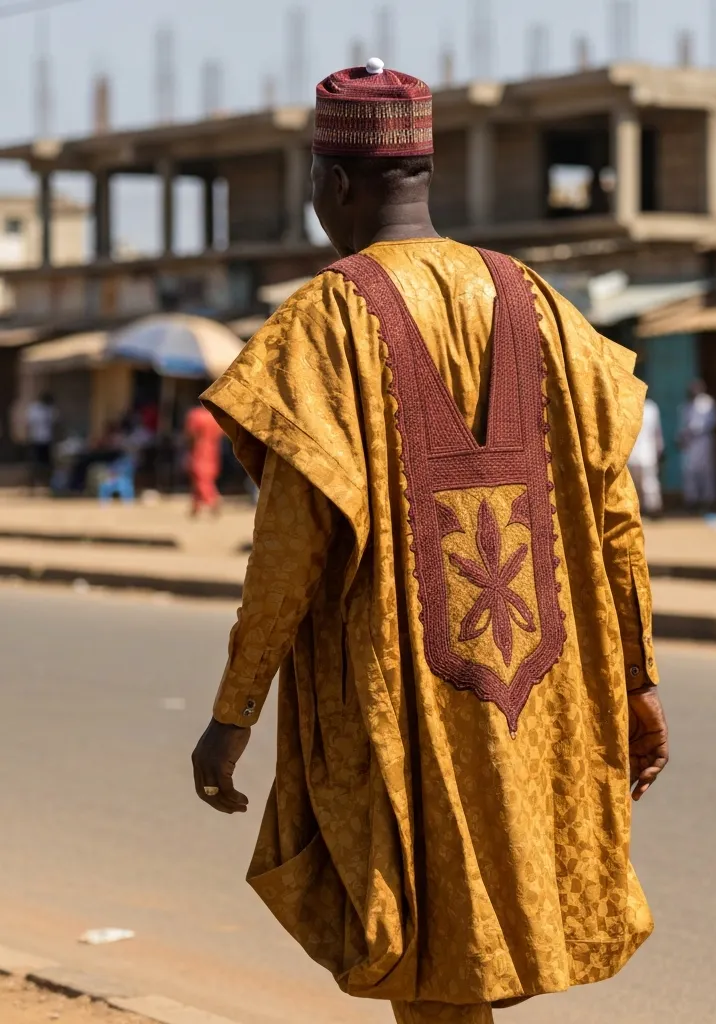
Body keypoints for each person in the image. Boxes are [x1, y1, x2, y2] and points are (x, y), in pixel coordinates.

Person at [190, 58, 668, 1024]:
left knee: (427, 944)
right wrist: (639, 679)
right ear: (425, 173)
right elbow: (616, 516)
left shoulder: (324, 320)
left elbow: (291, 544)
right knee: (466, 957)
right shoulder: (539, 302)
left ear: (331, 184)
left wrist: (233, 713)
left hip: (402, 691)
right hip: (537, 681)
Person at [677, 379, 716, 511]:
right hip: (690, 442)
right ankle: (692, 500)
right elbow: (682, 425)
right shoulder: (686, 405)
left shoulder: (707, 402)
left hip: (704, 440)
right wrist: (681, 437)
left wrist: (695, 430)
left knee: (706, 471)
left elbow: (713, 420)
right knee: (689, 471)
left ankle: (708, 500)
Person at [184, 403, 223, 516]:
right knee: (205, 477)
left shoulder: (196, 415)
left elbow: (190, 433)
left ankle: (213, 500)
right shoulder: (215, 417)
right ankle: (195, 506)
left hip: (199, 448)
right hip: (213, 449)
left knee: (200, 477)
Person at [627, 397, 664, 516]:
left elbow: (657, 432)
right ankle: (638, 511)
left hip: (648, 452)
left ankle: (653, 510)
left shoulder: (651, 408)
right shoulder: (628, 402)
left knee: (650, 483)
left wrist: (660, 449)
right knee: (634, 484)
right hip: (632, 453)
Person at [24, 393, 58, 492]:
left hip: (47, 440)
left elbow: (55, 424)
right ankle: (33, 484)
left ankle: (47, 484)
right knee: (35, 463)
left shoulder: (50, 410)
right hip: (36, 440)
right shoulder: (34, 409)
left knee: (47, 463)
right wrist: (28, 438)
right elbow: (28, 425)